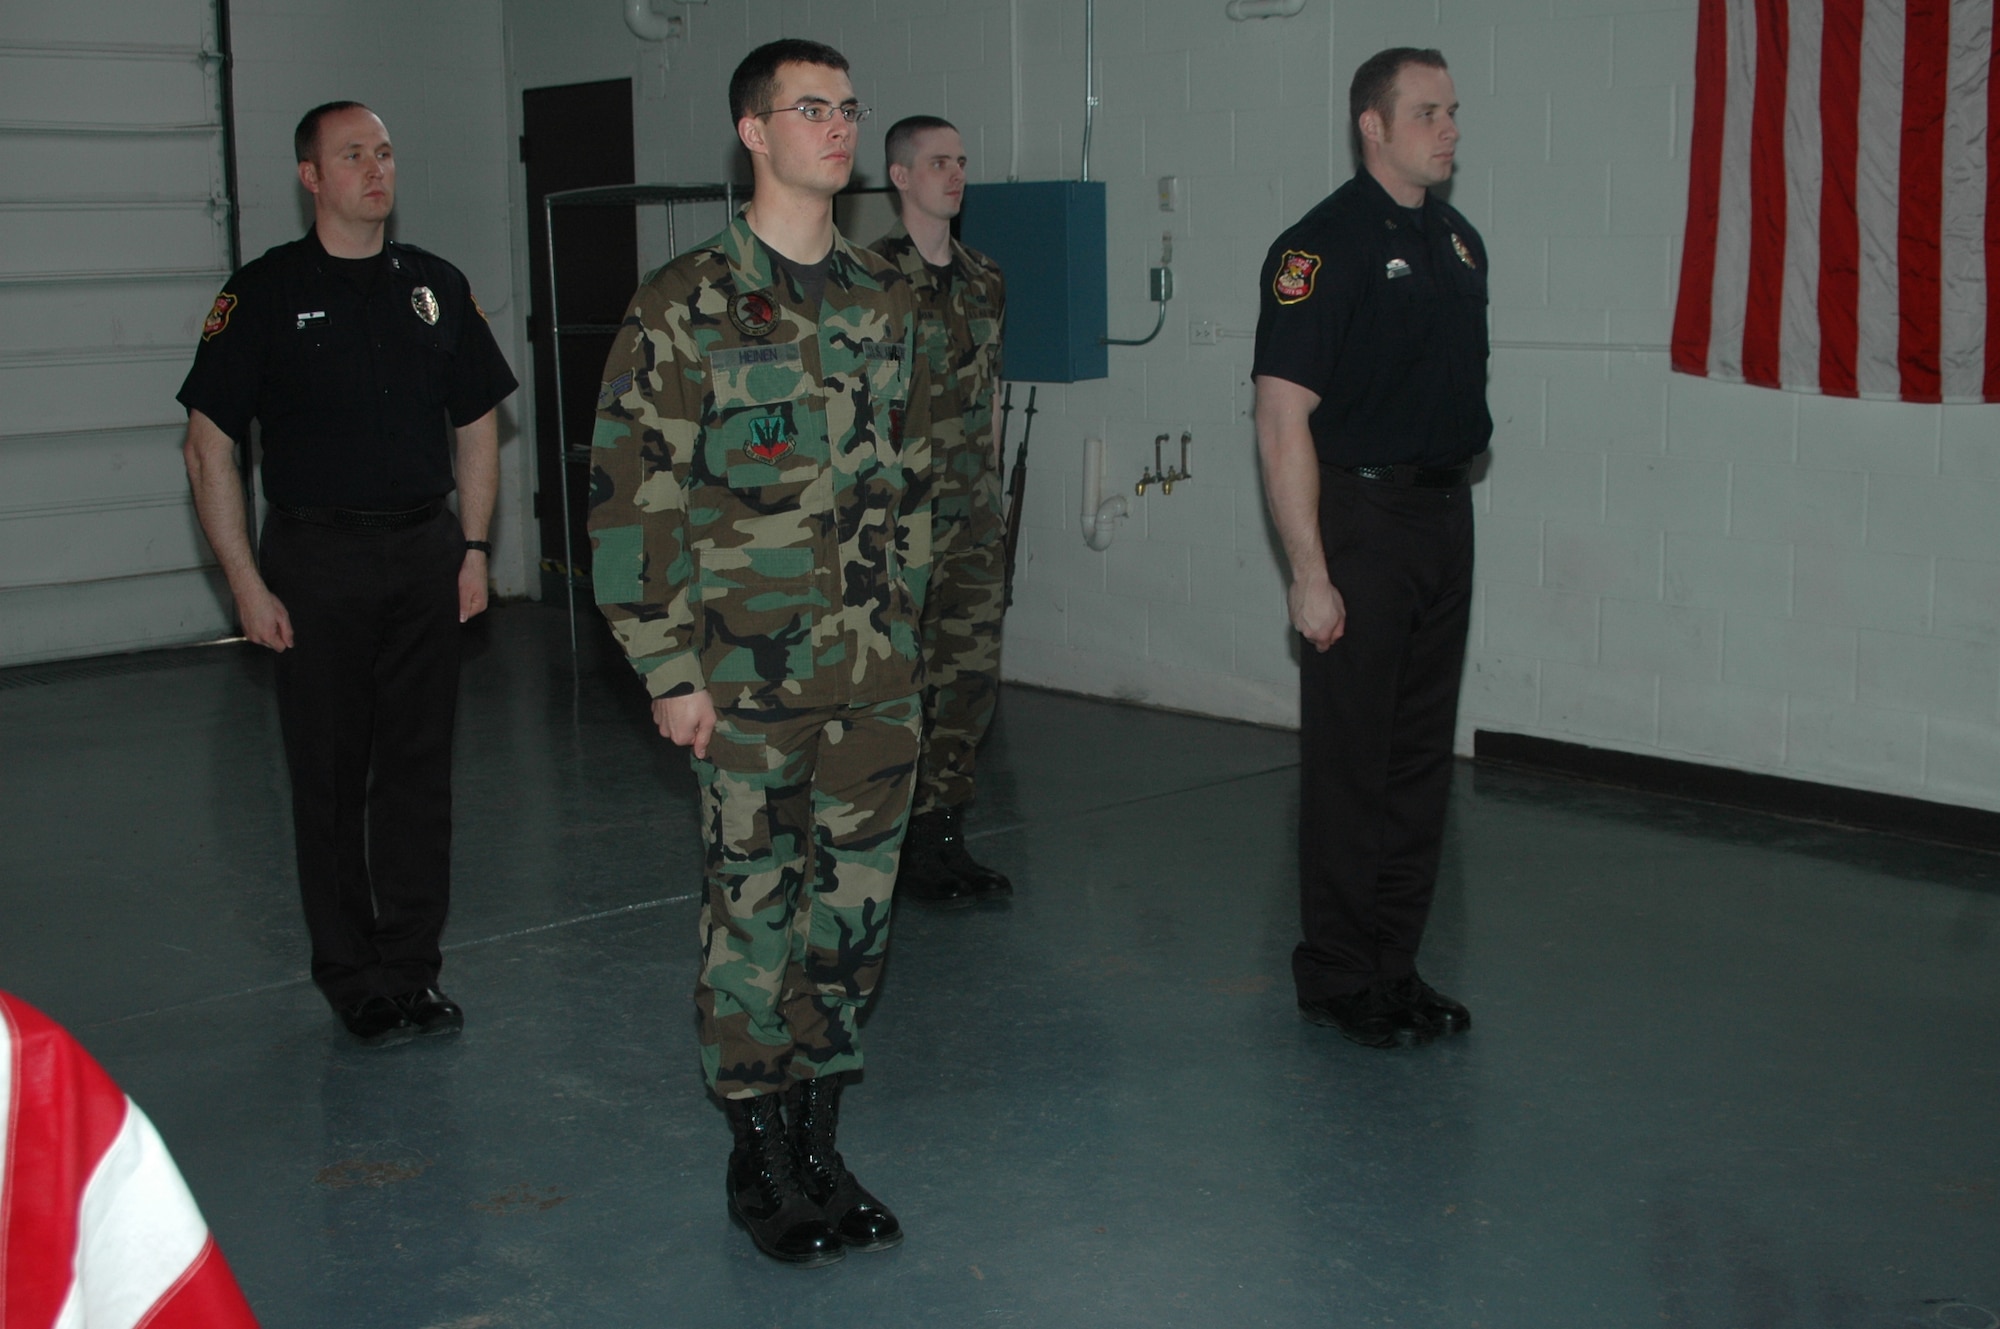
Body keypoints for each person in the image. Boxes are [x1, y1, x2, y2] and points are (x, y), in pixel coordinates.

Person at [586, 40, 930, 1267]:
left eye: (847, 107)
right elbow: (631, 499)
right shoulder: (682, 301)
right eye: (809, 109)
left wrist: (910, 638)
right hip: (741, 680)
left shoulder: (886, 297)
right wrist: (666, 673)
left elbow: (914, 486)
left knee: (850, 919)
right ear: (752, 132)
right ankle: (757, 1163)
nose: (837, 128)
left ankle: (821, 1146)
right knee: (754, 917)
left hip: (874, 680)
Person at [178, 101, 517, 1047]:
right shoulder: (263, 294)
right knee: (329, 775)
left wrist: (475, 547)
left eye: (385, 151)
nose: (376, 168)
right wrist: (245, 583)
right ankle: (353, 973)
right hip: (315, 559)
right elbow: (208, 448)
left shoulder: (435, 287)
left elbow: (478, 422)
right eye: (352, 155)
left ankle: (412, 967)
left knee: (417, 774)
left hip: (422, 552)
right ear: (311, 177)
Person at [1251, 48, 1487, 1050]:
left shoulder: (1459, 242)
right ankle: (1339, 973)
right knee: (1354, 763)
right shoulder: (1320, 247)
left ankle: (1394, 965)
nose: (1447, 129)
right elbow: (1279, 418)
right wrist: (1309, 571)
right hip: (1359, 521)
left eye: (1451, 111)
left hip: (1441, 515)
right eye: (1426, 112)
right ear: (1372, 126)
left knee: (1416, 761)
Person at [870, 116, 1011, 909]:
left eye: (961, 160)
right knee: (898, 685)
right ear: (899, 176)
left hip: (972, 517)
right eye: (936, 162)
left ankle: (942, 839)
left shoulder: (985, 275)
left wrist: (988, 491)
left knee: (965, 683)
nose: (954, 175)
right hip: (899, 521)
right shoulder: (867, 280)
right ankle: (882, 845)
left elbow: (991, 391)